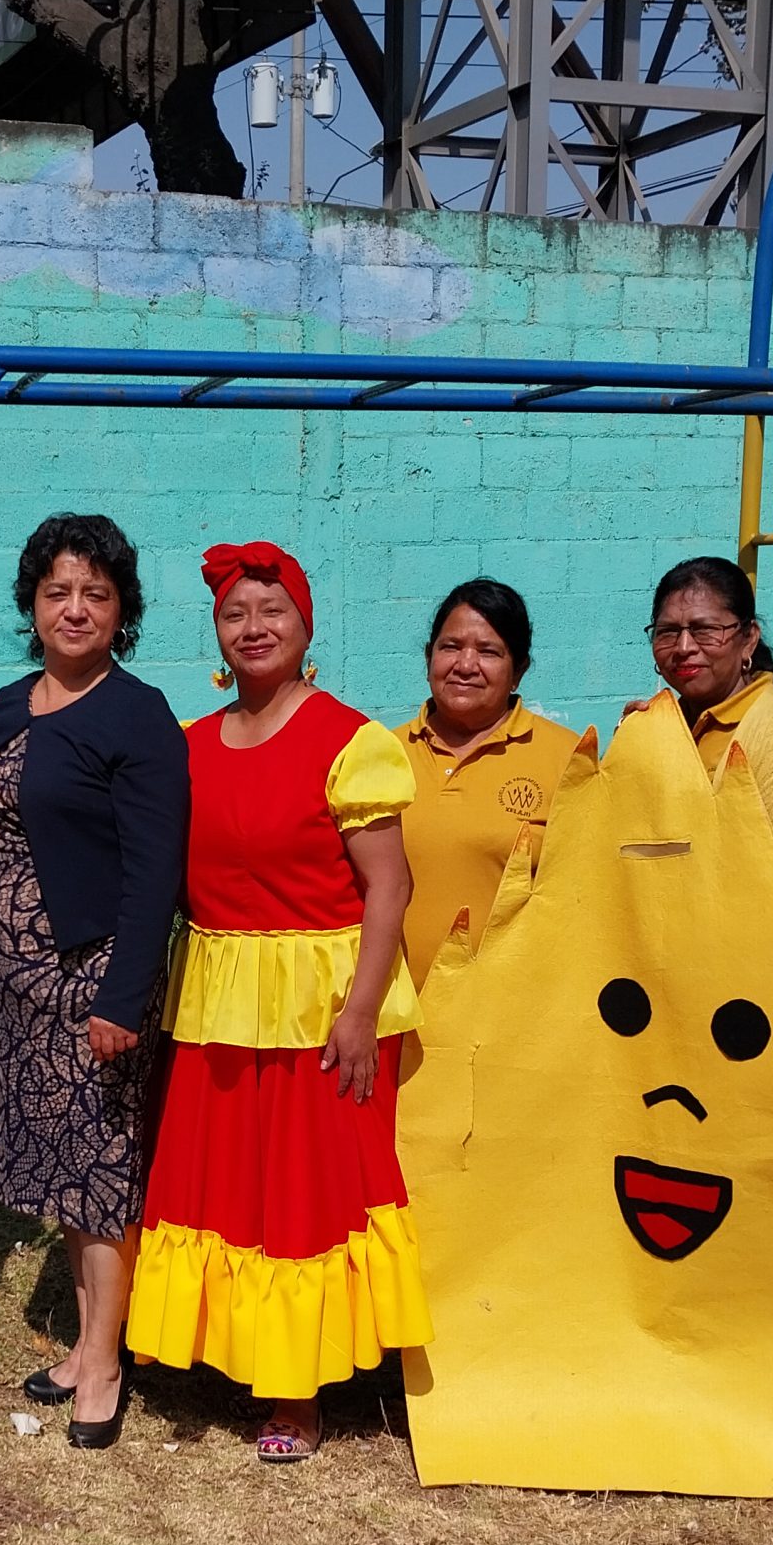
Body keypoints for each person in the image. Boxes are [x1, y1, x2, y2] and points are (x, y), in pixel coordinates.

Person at [125, 540, 431, 1462]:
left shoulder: (349, 741)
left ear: (305, 626)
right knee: (228, 1185)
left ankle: (298, 1393)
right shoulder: (186, 747)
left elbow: (390, 887)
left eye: (273, 610)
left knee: (303, 1193)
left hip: (317, 1002)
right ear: (216, 634)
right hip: (220, 998)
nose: (254, 628)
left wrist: (362, 1008)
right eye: (234, 614)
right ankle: (228, 1352)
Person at [0, 513, 188, 1449]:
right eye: (57, 591)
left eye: (96, 592)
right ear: (32, 604)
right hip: (9, 983)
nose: (75, 607)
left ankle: (103, 1358)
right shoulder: (11, 704)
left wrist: (122, 999)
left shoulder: (137, 714)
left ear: (121, 609)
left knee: (101, 1173)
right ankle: (89, 1341)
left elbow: (153, 873)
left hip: (88, 985)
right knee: (58, 1170)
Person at [396, 577, 580, 985]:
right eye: (450, 647)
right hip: (393, 1021)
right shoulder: (382, 754)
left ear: (519, 670)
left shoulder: (567, 757)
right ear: (429, 658)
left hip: (512, 1018)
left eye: (488, 652)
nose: (465, 665)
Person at [642, 556, 773, 889]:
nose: (684, 647)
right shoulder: (657, 726)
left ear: (748, 639)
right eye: (668, 632)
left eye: (705, 630)